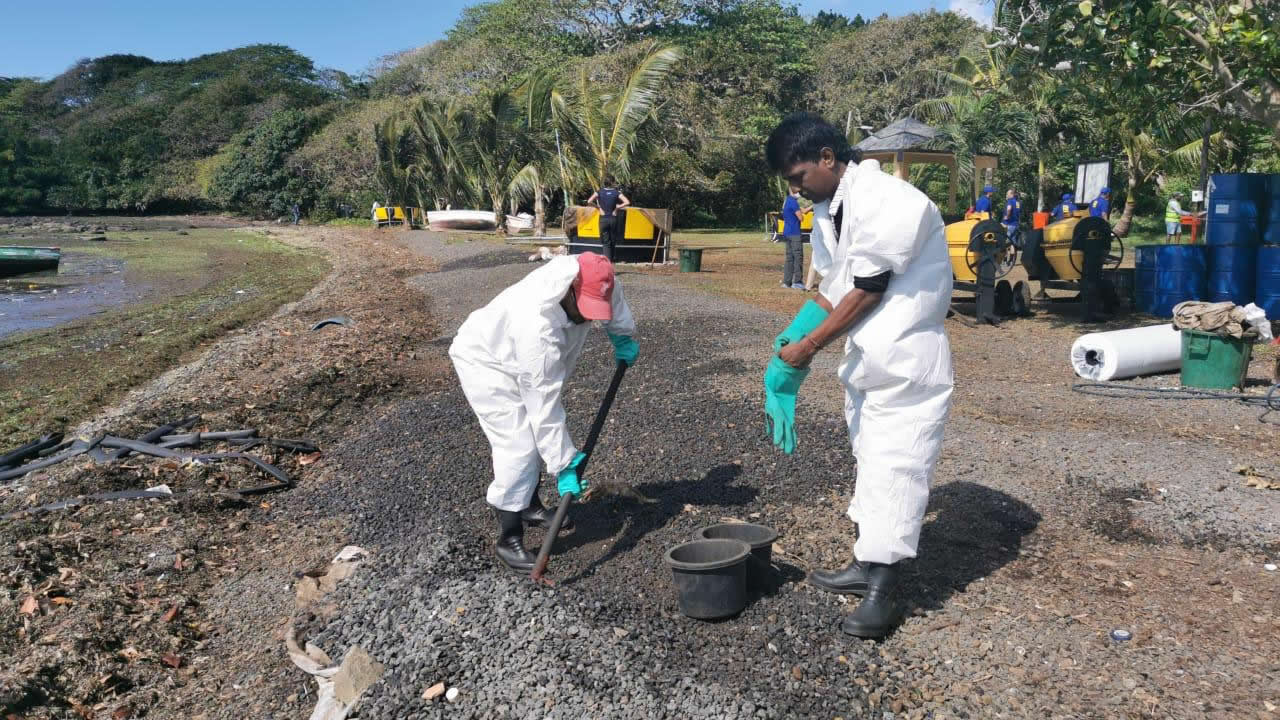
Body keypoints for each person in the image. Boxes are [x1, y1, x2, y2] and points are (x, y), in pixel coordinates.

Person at [763, 113, 953, 639]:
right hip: (869, 361)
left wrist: (809, 348)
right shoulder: (833, 208)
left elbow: (867, 289)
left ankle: (883, 593)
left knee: (896, 464)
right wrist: (786, 346)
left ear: (828, 158)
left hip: (907, 358)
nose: (797, 192)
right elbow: (833, 286)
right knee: (869, 457)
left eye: (799, 178)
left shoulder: (887, 200)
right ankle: (866, 563)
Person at [449, 253, 639, 574]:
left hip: (520, 358)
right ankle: (508, 537)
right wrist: (564, 464)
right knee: (519, 444)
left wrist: (622, 335)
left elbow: (614, 301)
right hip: (485, 360)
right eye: (585, 308)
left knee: (536, 439)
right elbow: (544, 407)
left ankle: (530, 506)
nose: (588, 318)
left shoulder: (597, 275)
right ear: (570, 289)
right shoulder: (536, 325)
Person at [585, 180, 631, 262]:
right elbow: (627, 202)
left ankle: (608, 262)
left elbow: (589, 201)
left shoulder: (599, 192)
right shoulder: (616, 192)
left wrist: (598, 208)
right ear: (612, 183)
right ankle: (611, 260)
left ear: (604, 183)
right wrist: (617, 207)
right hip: (613, 219)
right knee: (613, 241)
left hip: (603, 219)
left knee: (606, 242)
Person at [781, 188, 806, 289]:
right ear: (791, 191)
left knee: (789, 258)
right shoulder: (794, 202)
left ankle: (786, 282)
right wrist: (802, 215)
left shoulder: (787, 201)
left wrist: (813, 206)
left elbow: (801, 210)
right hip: (795, 233)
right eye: (797, 191)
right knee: (798, 257)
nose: (799, 193)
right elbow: (801, 217)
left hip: (787, 232)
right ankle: (798, 282)